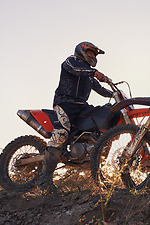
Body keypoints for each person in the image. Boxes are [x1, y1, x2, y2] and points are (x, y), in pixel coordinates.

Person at [38, 41, 114, 192]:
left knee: (98, 125)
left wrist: (115, 94)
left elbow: (100, 89)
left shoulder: (89, 75)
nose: (92, 56)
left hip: (81, 106)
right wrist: (95, 72)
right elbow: (77, 70)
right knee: (61, 134)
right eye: (90, 53)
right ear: (82, 51)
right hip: (64, 104)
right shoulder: (71, 61)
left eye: (94, 54)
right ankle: (44, 179)